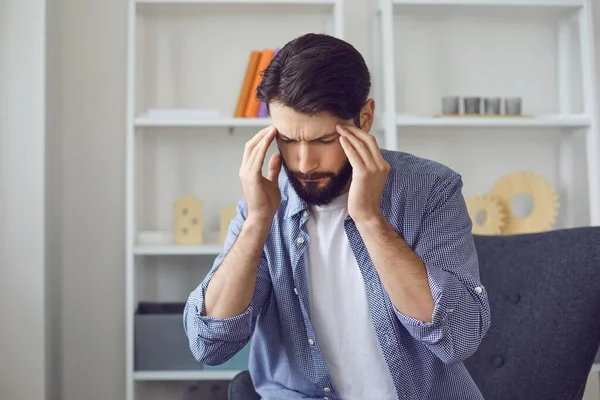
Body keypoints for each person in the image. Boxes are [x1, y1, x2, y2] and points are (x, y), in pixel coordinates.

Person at [184, 33, 491, 400]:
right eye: (287, 139)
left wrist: (370, 220)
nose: (304, 163)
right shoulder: (266, 202)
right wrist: (256, 223)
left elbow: (459, 338)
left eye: (324, 141)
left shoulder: (431, 189)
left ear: (364, 118)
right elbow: (209, 345)